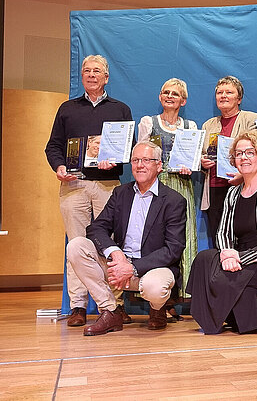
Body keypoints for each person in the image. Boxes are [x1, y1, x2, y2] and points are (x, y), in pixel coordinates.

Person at [45, 54, 133, 327]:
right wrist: (59, 166)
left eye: (97, 71)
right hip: (74, 185)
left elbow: (128, 148)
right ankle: (78, 306)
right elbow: (53, 146)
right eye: (87, 71)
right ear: (82, 76)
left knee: (110, 244)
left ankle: (115, 305)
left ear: (106, 77)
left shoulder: (120, 109)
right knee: (76, 245)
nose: (91, 75)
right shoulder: (67, 108)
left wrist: (115, 160)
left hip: (108, 185)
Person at [66, 141, 187, 336]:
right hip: (118, 266)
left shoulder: (174, 200)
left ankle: (157, 308)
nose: (140, 165)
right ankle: (110, 310)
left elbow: (173, 249)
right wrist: (116, 254)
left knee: (155, 288)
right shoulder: (120, 193)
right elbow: (96, 228)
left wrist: (132, 268)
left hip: (151, 268)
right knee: (76, 246)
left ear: (159, 166)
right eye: (135, 160)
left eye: (146, 160)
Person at [187, 130, 257, 334]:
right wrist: (227, 254)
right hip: (236, 257)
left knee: (229, 278)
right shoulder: (233, 193)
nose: (243, 157)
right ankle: (213, 318)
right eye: (239, 153)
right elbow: (223, 231)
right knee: (204, 258)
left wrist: (243, 257)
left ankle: (235, 316)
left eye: (250, 152)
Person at [138, 78, 197, 298]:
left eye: (175, 94)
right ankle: (157, 295)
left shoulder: (190, 127)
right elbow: (141, 154)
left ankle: (185, 293)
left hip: (182, 185)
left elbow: (195, 157)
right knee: (156, 237)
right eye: (166, 92)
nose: (170, 96)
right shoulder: (148, 122)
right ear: (160, 97)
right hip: (156, 185)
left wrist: (192, 165)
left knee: (183, 237)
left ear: (183, 100)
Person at [200, 76, 257, 246]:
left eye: (229, 92)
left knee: (243, 238)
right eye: (220, 92)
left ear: (239, 99)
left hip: (242, 187)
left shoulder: (252, 119)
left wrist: (242, 176)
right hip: (214, 189)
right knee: (218, 239)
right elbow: (201, 154)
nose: (223, 96)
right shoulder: (208, 125)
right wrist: (202, 162)